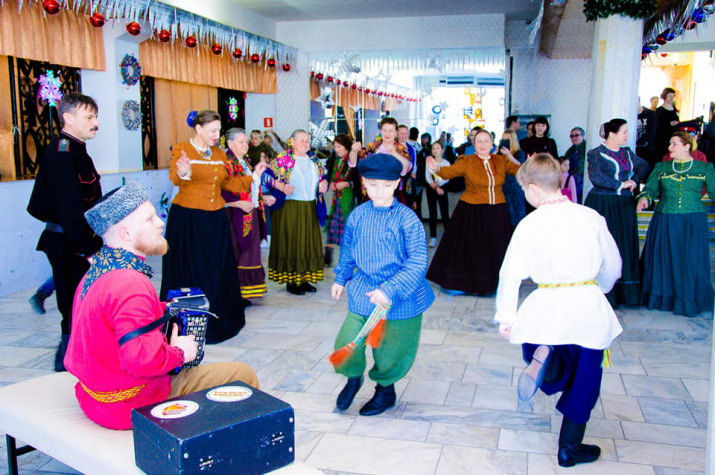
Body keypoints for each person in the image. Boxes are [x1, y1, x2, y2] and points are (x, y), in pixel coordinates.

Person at [65, 181, 258, 430]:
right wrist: (180, 353)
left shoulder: (97, 270)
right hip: (129, 403)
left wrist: (162, 309)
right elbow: (140, 360)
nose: (160, 223)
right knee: (242, 374)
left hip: (95, 398)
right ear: (125, 233)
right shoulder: (130, 282)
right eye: (149, 219)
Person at [495, 154, 622, 468]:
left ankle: (547, 359)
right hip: (586, 306)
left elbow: (510, 274)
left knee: (547, 344)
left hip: (547, 306)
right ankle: (569, 448)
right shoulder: (591, 217)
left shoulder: (528, 224)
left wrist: (506, 317)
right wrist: (598, 288)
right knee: (586, 375)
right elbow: (614, 266)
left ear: (533, 189)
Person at [331, 154, 434, 417]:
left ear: (397, 183)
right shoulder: (358, 215)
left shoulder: (407, 218)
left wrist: (389, 290)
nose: (379, 191)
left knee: (391, 351)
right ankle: (353, 378)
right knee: (347, 340)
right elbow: (348, 250)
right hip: (364, 290)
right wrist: (341, 277)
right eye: (373, 184)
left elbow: (417, 261)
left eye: (387, 185)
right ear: (364, 182)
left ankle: (385, 390)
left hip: (401, 296)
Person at [161, 110, 266, 344]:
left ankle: (219, 317)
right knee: (191, 268)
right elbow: (175, 177)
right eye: (213, 131)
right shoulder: (182, 149)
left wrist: (253, 177)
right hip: (188, 219)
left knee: (217, 267)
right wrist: (184, 171)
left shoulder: (219, 154)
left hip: (215, 218)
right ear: (198, 129)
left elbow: (228, 182)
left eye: (218, 131)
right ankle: (187, 321)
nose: (217, 136)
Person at [27, 92, 103, 372]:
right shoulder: (62, 152)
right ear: (68, 118)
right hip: (68, 243)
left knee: (82, 303)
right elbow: (68, 208)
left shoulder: (76, 149)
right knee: (72, 305)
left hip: (76, 240)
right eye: (89, 117)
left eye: (96, 117)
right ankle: (65, 362)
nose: (95, 123)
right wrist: (87, 249)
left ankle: (78, 357)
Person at [425, 129, 521, 295]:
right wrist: (437, 168)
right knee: (473, 249)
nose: (483, 144)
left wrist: (532, 164)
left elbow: (520, 171)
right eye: (479, 141)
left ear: (492, 144)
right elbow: (450, 172)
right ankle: (469, 283)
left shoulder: (501, 160)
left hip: (497, 211)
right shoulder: (467, 160)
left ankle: (495, 283)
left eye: (486, 141)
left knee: (496, 247)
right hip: (473, 210)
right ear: (474, 145)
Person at [637, 131, 715, 317]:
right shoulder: (661, 167)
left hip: (692, 221)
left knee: (690, 259)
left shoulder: (704, 168)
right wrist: (644, 197)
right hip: (665, 218)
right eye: (670, 143)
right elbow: (650, 189)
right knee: (664, 258)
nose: (669, 147)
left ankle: (688, 298)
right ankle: (663, 298)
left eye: (674, 144)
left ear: (687, 146)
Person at [585, 118, 650, 307]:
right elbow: (596, 177)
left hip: (624, 204)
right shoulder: (596, 153)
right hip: (603, 203)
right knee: (606, 243)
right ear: (612, 134)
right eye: (624, 131)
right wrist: (621, 184)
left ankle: (625, 293)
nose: (627, 135)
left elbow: (644, 166)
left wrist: (634, 181)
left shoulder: (627, 153)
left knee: (624, 243)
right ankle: (604, 292)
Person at [266, 129, 328, 295]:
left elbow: (324, 176)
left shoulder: (314, 159)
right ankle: (292, 281)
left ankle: (304, 279)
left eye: (307, 140)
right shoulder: (283, 159)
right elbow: (265, 177)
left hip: (310, 207)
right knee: (293, 242)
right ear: (292, 142)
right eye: (301, 140)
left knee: (307, 243)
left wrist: (324, 183)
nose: (305, 143)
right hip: (290, 208)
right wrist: (280, 186)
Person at [223, 128, 274, 302]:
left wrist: (262, 198)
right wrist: (239, 203)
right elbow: (223, 191)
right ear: (230, 143)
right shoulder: (226, 163)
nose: (246, 145)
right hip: (234, 215)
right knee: (237, 252)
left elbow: (250, 186)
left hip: (249, 212)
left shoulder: (243, 161)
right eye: (241, 142)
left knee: (249, 252)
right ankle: (236, 294)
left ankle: (246, 292)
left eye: (246, 142)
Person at [350, 117, 411, 204]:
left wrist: (394, 153)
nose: (387, 133)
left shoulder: (401, 149)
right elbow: (353, 164)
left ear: (395, 133)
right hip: (372, 192)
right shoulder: (372, 146)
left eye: (391, 131)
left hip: (393, 193)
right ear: (380, 131)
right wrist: (354, 151)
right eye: (384, 130)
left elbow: (405, 170)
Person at [324, 134, 356, 266]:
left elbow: (358, 180)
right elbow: (329, 176)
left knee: (346, 230)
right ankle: (328, 255)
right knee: (332, 227)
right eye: (335, 146)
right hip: (337, 199)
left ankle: (345, 259)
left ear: (346, 147)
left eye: (338, 147)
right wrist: (331, 183)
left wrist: (347, 184)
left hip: (348, 200)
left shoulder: (352, 160)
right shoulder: (335, 160)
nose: (336, 149)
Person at [424, 141, 451, 247]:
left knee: (444, 212)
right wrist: (434, 186)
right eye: (433, 148)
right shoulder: (429, 161)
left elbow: (447, 177)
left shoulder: (446, 163)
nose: (435, 151)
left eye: (438, 148)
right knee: (432, 213)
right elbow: (427, 176)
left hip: (442, 188)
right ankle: (433, 237)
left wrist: (439, 185)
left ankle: (448, 236)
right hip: (431, 188)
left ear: (442, 150)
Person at [500, 130, 527, 227]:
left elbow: (520, 166)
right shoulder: (500, 155)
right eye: (503, 139)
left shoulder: (519, 153)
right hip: (503, 189)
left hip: (515, 189)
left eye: (508, 139)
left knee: (516, 217)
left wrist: (509, 155)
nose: (505, 141)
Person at [562, 127, 587, 203]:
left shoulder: (588, 148)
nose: (574, 138)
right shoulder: (570, 151)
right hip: (571, 183)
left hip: (584, 183)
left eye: (576, 135)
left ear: (583, 136)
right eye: (572, 136)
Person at [654, 87, 680, 161]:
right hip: (662, 138)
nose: (672, 98)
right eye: (669, 96)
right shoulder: (660, 110)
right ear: (665, 96)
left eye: (673, 96)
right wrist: (669, 124)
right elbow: (657, 125)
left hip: (673, 136)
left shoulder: (674, 109)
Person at [398, 124, 418, 211]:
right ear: (397, 134)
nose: (404, 135)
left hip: (408, 180)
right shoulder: (394, 148)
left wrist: (413, 172)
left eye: (406, 133)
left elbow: (414, 164)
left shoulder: (412, 149)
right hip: (397, 179)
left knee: (408, 204)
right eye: (401, 133)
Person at [637, 100, 658, 168]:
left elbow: (652, 131)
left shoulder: (650, 114)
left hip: (647, 149)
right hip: (635, 148)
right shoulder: (630, 114)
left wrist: (641, 140)